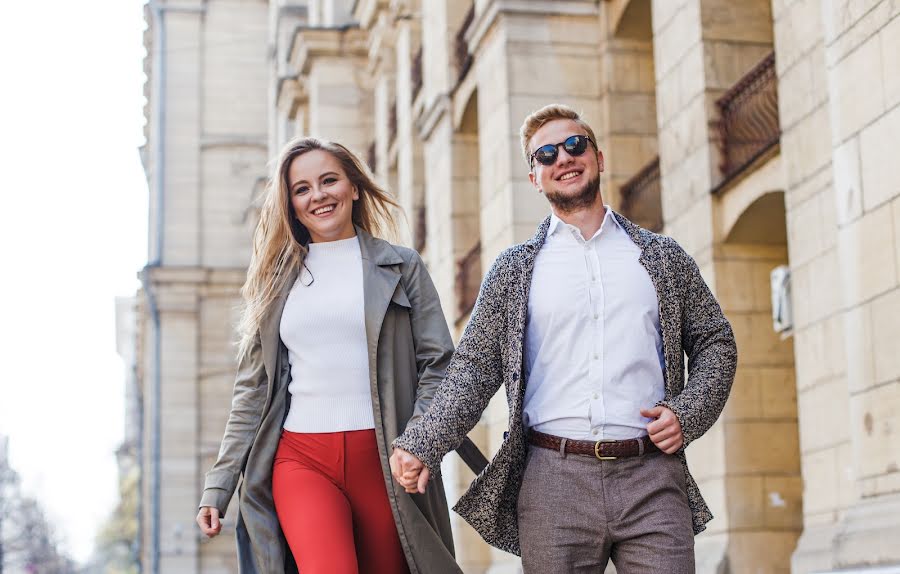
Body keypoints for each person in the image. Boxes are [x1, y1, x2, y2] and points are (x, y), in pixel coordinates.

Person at [390, 104, 737, 573]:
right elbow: (472, 369)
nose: (563, 159)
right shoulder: (514, 270)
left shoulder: (660, 256)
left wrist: (688, 412)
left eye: (574, 145)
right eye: (546, 154)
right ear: (535, 177)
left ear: (598, 156)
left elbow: (716, 341)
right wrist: (423, 442)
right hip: (552, 479)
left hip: (652, 474)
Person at [196, 137, 485, 574]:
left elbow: (438, 364)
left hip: (385, 460)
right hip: (300, 459)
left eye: (329, 180)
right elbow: (252, 392)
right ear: (291, 204)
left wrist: (421, 440)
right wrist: (219, 485)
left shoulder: (402, 266)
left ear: (353, 187)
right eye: (302, 189)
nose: (319, 196)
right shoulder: (274, 282)